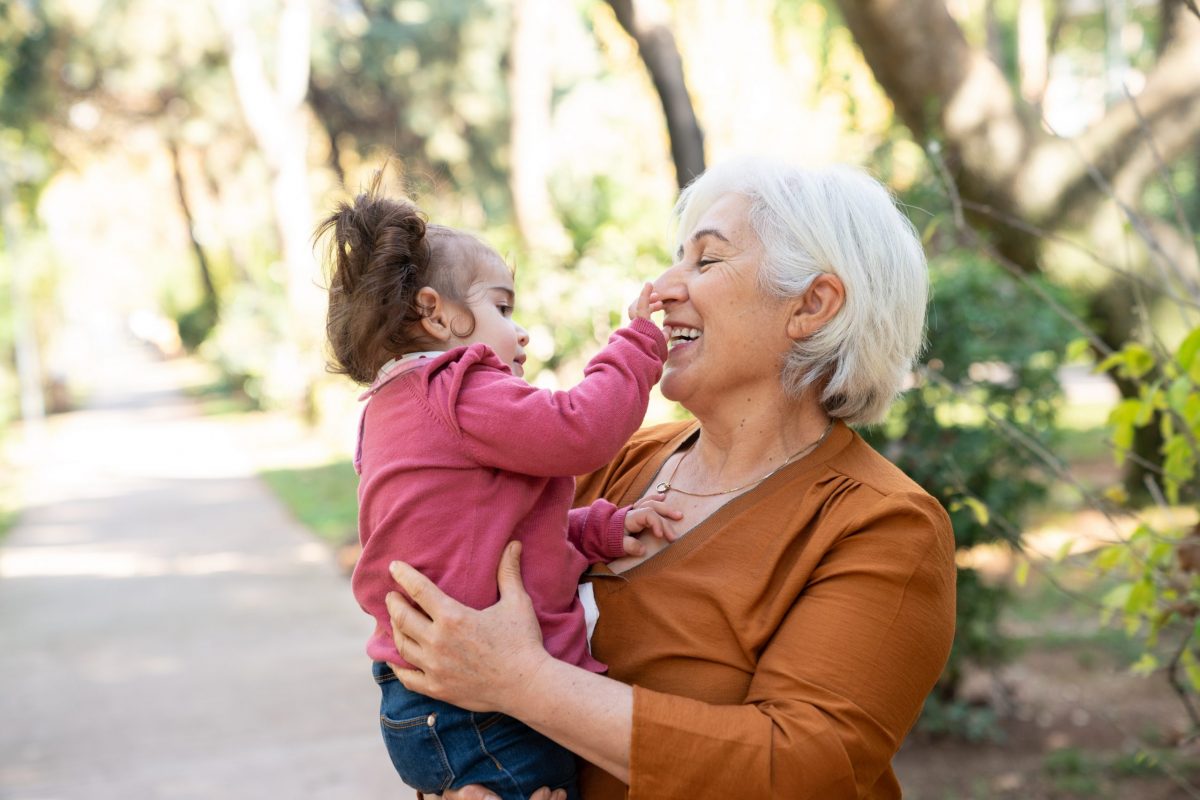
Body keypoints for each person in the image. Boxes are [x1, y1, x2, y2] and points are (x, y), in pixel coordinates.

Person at [383, 156, 958, 800]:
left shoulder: (882, 525)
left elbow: (800, 769)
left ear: (813, 305)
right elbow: (447, 654)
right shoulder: (609, 466)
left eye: (706, 261)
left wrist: (525, 682)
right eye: (675, 258)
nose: (663, 285)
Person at [315, 172, 684, 800]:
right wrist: (637, 344)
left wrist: (599, 527)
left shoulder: (390, 408)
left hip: (420, 700)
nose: (521, 333)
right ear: (436, 314)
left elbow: (488, 533)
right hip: (480, 713)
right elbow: (583, 429)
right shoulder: (458, 388)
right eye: (502, 307)